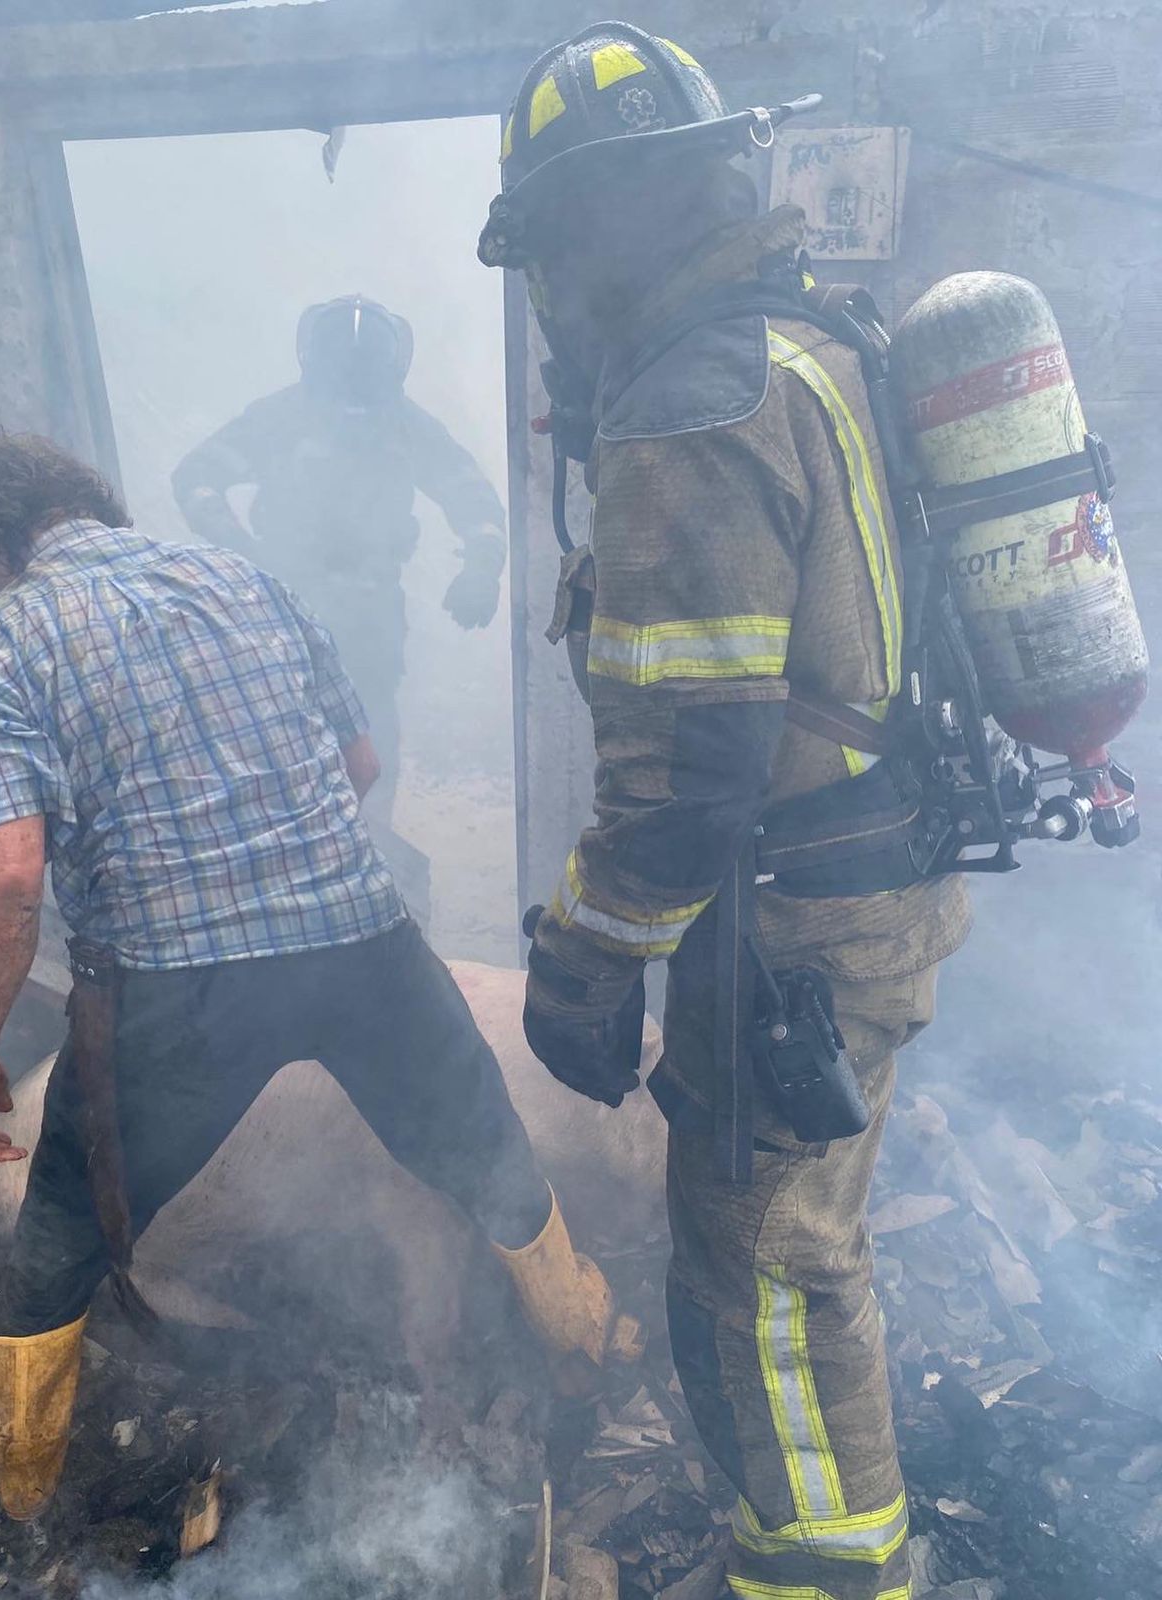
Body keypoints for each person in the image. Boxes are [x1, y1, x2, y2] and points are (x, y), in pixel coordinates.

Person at [480, 24, 972, 1600]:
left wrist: (585, 957)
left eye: (551, 250)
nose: (550, 294)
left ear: (601, 225)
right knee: (798, 1239)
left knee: (768, 1267)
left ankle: (824, 1577)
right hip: (861, 881)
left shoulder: (693, 403)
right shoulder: (812, 340)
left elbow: (689, 764)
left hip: (796, 923)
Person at [0, 432, 638, 1523]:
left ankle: (23, 1498)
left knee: (58, 1240)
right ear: (102, 504)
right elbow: (358, 764)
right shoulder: (242, 579)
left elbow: (10, 871)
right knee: (494, 1163)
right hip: (364, 948)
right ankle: (584, 1340)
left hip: (174, 992)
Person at [172, 294, 506, 823]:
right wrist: (243, 555)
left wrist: (483, 568)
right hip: (281, 608)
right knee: (279, 732)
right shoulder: (281, 417)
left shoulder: (401, 424)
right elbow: (196, 477)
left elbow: (474, 499)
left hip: (365, 618)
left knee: (370, 738)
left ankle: (366, 836)